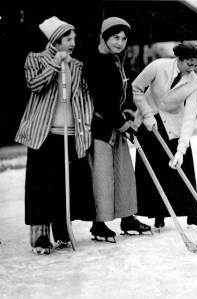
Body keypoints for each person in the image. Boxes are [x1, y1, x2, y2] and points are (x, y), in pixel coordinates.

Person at [15, 16, 95, 254]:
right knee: (41, 186)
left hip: (71, 132)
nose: (73, 42)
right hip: (44, 133)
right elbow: (34, 84)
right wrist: (54, 63)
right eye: (68, 38)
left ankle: (62, 231)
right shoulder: (35, 58)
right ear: (55, 40)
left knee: (65, 185)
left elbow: (84, 98)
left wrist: (86, 125)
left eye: (74, 38)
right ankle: (40, 237)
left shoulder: (77, 65)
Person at [84, 16, 151, 242]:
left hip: (118, 126)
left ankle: (127, 218)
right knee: (102, 176)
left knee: (124, 173)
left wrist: (130, 112)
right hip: (102, 127)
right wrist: (123, 124)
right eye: (115, 37)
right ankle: (99, 223)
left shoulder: (117, 60)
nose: (120, 42)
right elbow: (102, 101)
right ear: (104, 36)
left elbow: (125, 92)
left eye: (123, 38)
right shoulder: (95, 61)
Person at [132, 42, 197, 231]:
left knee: (184, 165)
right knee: (156, 167)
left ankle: (192, 214)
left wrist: (182, 149)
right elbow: (136, 88)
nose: (192, 69)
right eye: (189, 64)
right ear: (179, 59)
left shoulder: (193, 82)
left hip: (174, 122)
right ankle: (159, 214)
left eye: (195, 65)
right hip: (149, 121)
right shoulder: (158, 66)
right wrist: (147, 114)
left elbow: (190, 116)